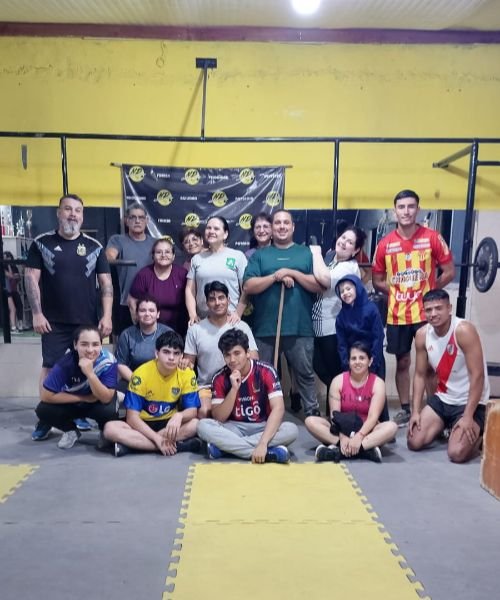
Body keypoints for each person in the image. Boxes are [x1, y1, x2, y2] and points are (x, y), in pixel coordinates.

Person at [25, 194, 113, 440]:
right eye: (68, 209)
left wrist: (107, 316)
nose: (73, 214)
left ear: (82, 216)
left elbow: (106, 284)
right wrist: (37, 313)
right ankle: (46, 418)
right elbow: (31, 278)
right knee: (50, 367)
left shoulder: (95, 246)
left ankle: (79, 413)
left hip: (86, 322)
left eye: (77, 210)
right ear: (58, 212)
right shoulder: (41, 243)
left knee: (86, 367)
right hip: (53, 322)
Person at [372, 189, 455, 427]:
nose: (406, 211)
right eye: (401, 207)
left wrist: (430, 295)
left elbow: (449, 272)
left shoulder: (432, 238)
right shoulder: (385, 244)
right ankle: (406, 409)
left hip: (426, 315)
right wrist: (396, 292)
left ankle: (435, 409)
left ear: (418, 209)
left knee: (429, 364)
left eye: (411, 206)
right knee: (403, 363)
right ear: (394, 211)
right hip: (397, 315)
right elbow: (377, 280)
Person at [243, 209, 324, 416]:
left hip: (300, 327)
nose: (281, 226)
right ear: (272, 228)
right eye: (277, 223)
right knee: (263, 375)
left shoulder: (305, 253)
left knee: (305, 374)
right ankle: (262, 411)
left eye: (286, 223)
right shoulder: (260, 255)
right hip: (265, 328)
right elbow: (249, 286)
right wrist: (274, 277)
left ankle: (312, 412)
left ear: (293, 227)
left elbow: (319, 285)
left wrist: (292, 272)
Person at [407, 289, 490, 463]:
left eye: (438, 308)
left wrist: (468, 416)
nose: (433, 314)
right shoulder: (422, 335)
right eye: (428, 310)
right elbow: (420, 375)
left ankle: (481, 435)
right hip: (443, 399)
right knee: (414, 441)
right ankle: (446, 425)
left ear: (449, 308)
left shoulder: (464, 330)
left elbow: (478, 376)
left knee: (456, 453)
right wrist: (415, 412)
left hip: (469, 402)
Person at [197, 329, 298, 463]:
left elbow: (278, 409)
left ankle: (226, 449)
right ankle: (268, 454)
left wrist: (263, 442)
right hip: (234, 428)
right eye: (227, 355)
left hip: (263, 426)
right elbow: (219, 417)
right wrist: (234, 389)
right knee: (203, 426)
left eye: (237, 353)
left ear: (248, 353)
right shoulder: (219, 377)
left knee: (291, 430)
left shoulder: (266, 371)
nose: (232, 360)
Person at [103, 330, 201, 457]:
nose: (171, 358)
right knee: (109, 429)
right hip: (143, 424)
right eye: (166, 352)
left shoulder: (187, 373)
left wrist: (179, 416)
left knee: (196, 424)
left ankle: (133, 447)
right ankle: (177, 446)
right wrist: (157, 439)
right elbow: (132, 418)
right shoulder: (140, 374)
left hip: (169, 423)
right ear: (156, 353)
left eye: (176, 353)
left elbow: (192, 411)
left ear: (182, 356)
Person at [305, 342, 398, 463]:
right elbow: (335, 415)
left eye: (362, 358)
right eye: (353, 358)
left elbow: (373, 417)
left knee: (392, 427)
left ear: (370, 361)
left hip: (367, 431)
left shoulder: (378, 383)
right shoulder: (338, 381)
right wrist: (342, 436)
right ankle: (364, 450)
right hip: (341, 429)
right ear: (348, 362)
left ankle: (339, 452)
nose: (357, 362)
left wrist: (359, 436)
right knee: (310, 421)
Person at [182, 281, 258, 417]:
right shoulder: (195, 329)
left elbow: (254, 359)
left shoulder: (241, 326)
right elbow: (188, 365)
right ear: (206, 303)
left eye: (221, 298)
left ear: (228, 300)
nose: (217, 303)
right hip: (207, 387)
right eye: (212, 299)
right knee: (204, 411)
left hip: (239, 381)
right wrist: (183, 364)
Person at [34, 325, 118, 449]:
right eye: (84, 344)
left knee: (111, 410)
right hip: (75, 401)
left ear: (101, 345)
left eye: (95, 344)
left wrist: (90, 374)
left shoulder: (108, 361)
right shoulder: (65, 364)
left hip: (97, 402)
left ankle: (104, 431)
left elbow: (106, 398)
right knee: (43, 410)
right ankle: (70, 430)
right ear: (75, 345)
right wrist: (83, 398)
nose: (90, 350)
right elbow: (46, 395)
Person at [310, 226, 364, 396]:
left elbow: (325, 279)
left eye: (350, 242)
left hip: (333, 328)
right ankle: (338, 405)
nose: (344, 242)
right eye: (343, 237)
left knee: (334, 374)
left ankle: (342, 406)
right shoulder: (331, 257)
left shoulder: (349, 267)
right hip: (316, 325)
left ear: (355, 250)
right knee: (322, 370)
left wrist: (316, 253)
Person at [335, 274, 389, 422]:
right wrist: (346, 363)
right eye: (341, 291)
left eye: (348, 288)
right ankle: (353, 424)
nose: (345, 293)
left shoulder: (371, 309)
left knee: (377, 392)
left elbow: (378, 336)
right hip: (353, 361)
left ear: (357, 288)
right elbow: (341, 344)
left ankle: (382, 425)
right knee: (353, 394)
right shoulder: (341, 316)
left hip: (373, 358)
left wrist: (374, 362)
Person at [185, 216, 248, 325]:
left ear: (225, 234)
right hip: (203, 321)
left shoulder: (238, 256)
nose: (211, 231)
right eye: (208, 228)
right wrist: (193, 314)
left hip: (230, 321)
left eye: (216, 228)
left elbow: (246, 289)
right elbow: (190, 290)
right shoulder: (197, 259)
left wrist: (238, 313)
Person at [106, 203, 156, 337]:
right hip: (126, 304)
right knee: (125, 342)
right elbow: (109, 256)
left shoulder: (155, 243)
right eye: (133, 217)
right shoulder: (117, 240)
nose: (137, 221)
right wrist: (111, 258)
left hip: (151, 304)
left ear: (147, 220)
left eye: (141, 217)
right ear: (126, 221)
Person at [128, 237, 188, 336]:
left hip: (180, 331)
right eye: (159, 252)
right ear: (153, 256)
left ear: (173, 256)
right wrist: (140, 326)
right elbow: (132, 301)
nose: (163, 255)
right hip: (150, 331)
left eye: (167, 252)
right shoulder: (144, 275)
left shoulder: (182, 274)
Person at [115, 297, 171, 390]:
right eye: (142, 310)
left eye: (151, 310)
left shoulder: (168, 333)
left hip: (163, 381)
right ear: (137, 314)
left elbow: (174, 360)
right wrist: (138, 382)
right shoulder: (127, 335)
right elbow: (120, 364)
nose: (147, 314)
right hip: (133, 380)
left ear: (158, 314)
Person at [3, 250, 24, 332]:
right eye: (5, 258)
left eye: (7, 258)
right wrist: (8, 265)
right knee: (12, 308)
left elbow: (18, 277)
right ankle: (13, 327)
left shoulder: (14, 267)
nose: (6, 260)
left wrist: (14, 276)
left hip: (14, 290)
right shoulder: (3, 268)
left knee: (19, 306)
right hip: (6, 290)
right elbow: (11, 276)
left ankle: (19, 324)